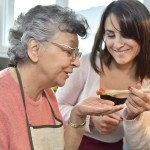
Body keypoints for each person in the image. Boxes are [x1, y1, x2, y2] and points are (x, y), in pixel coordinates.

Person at [0, 4, 124, 150]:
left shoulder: (48, 94)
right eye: (68, 52)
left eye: (76, 54)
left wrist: (78, 114)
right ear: (35, 49)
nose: (77, 63)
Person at [56, 0, 150, 150]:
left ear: (144, 34)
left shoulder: (146, 83)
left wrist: (133, 117)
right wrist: (89, 120)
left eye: (127, 35)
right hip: (71, 143)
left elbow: (141, 146)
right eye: (111, 35)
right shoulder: (87, 63)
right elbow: (54, 108)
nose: (117, 44)